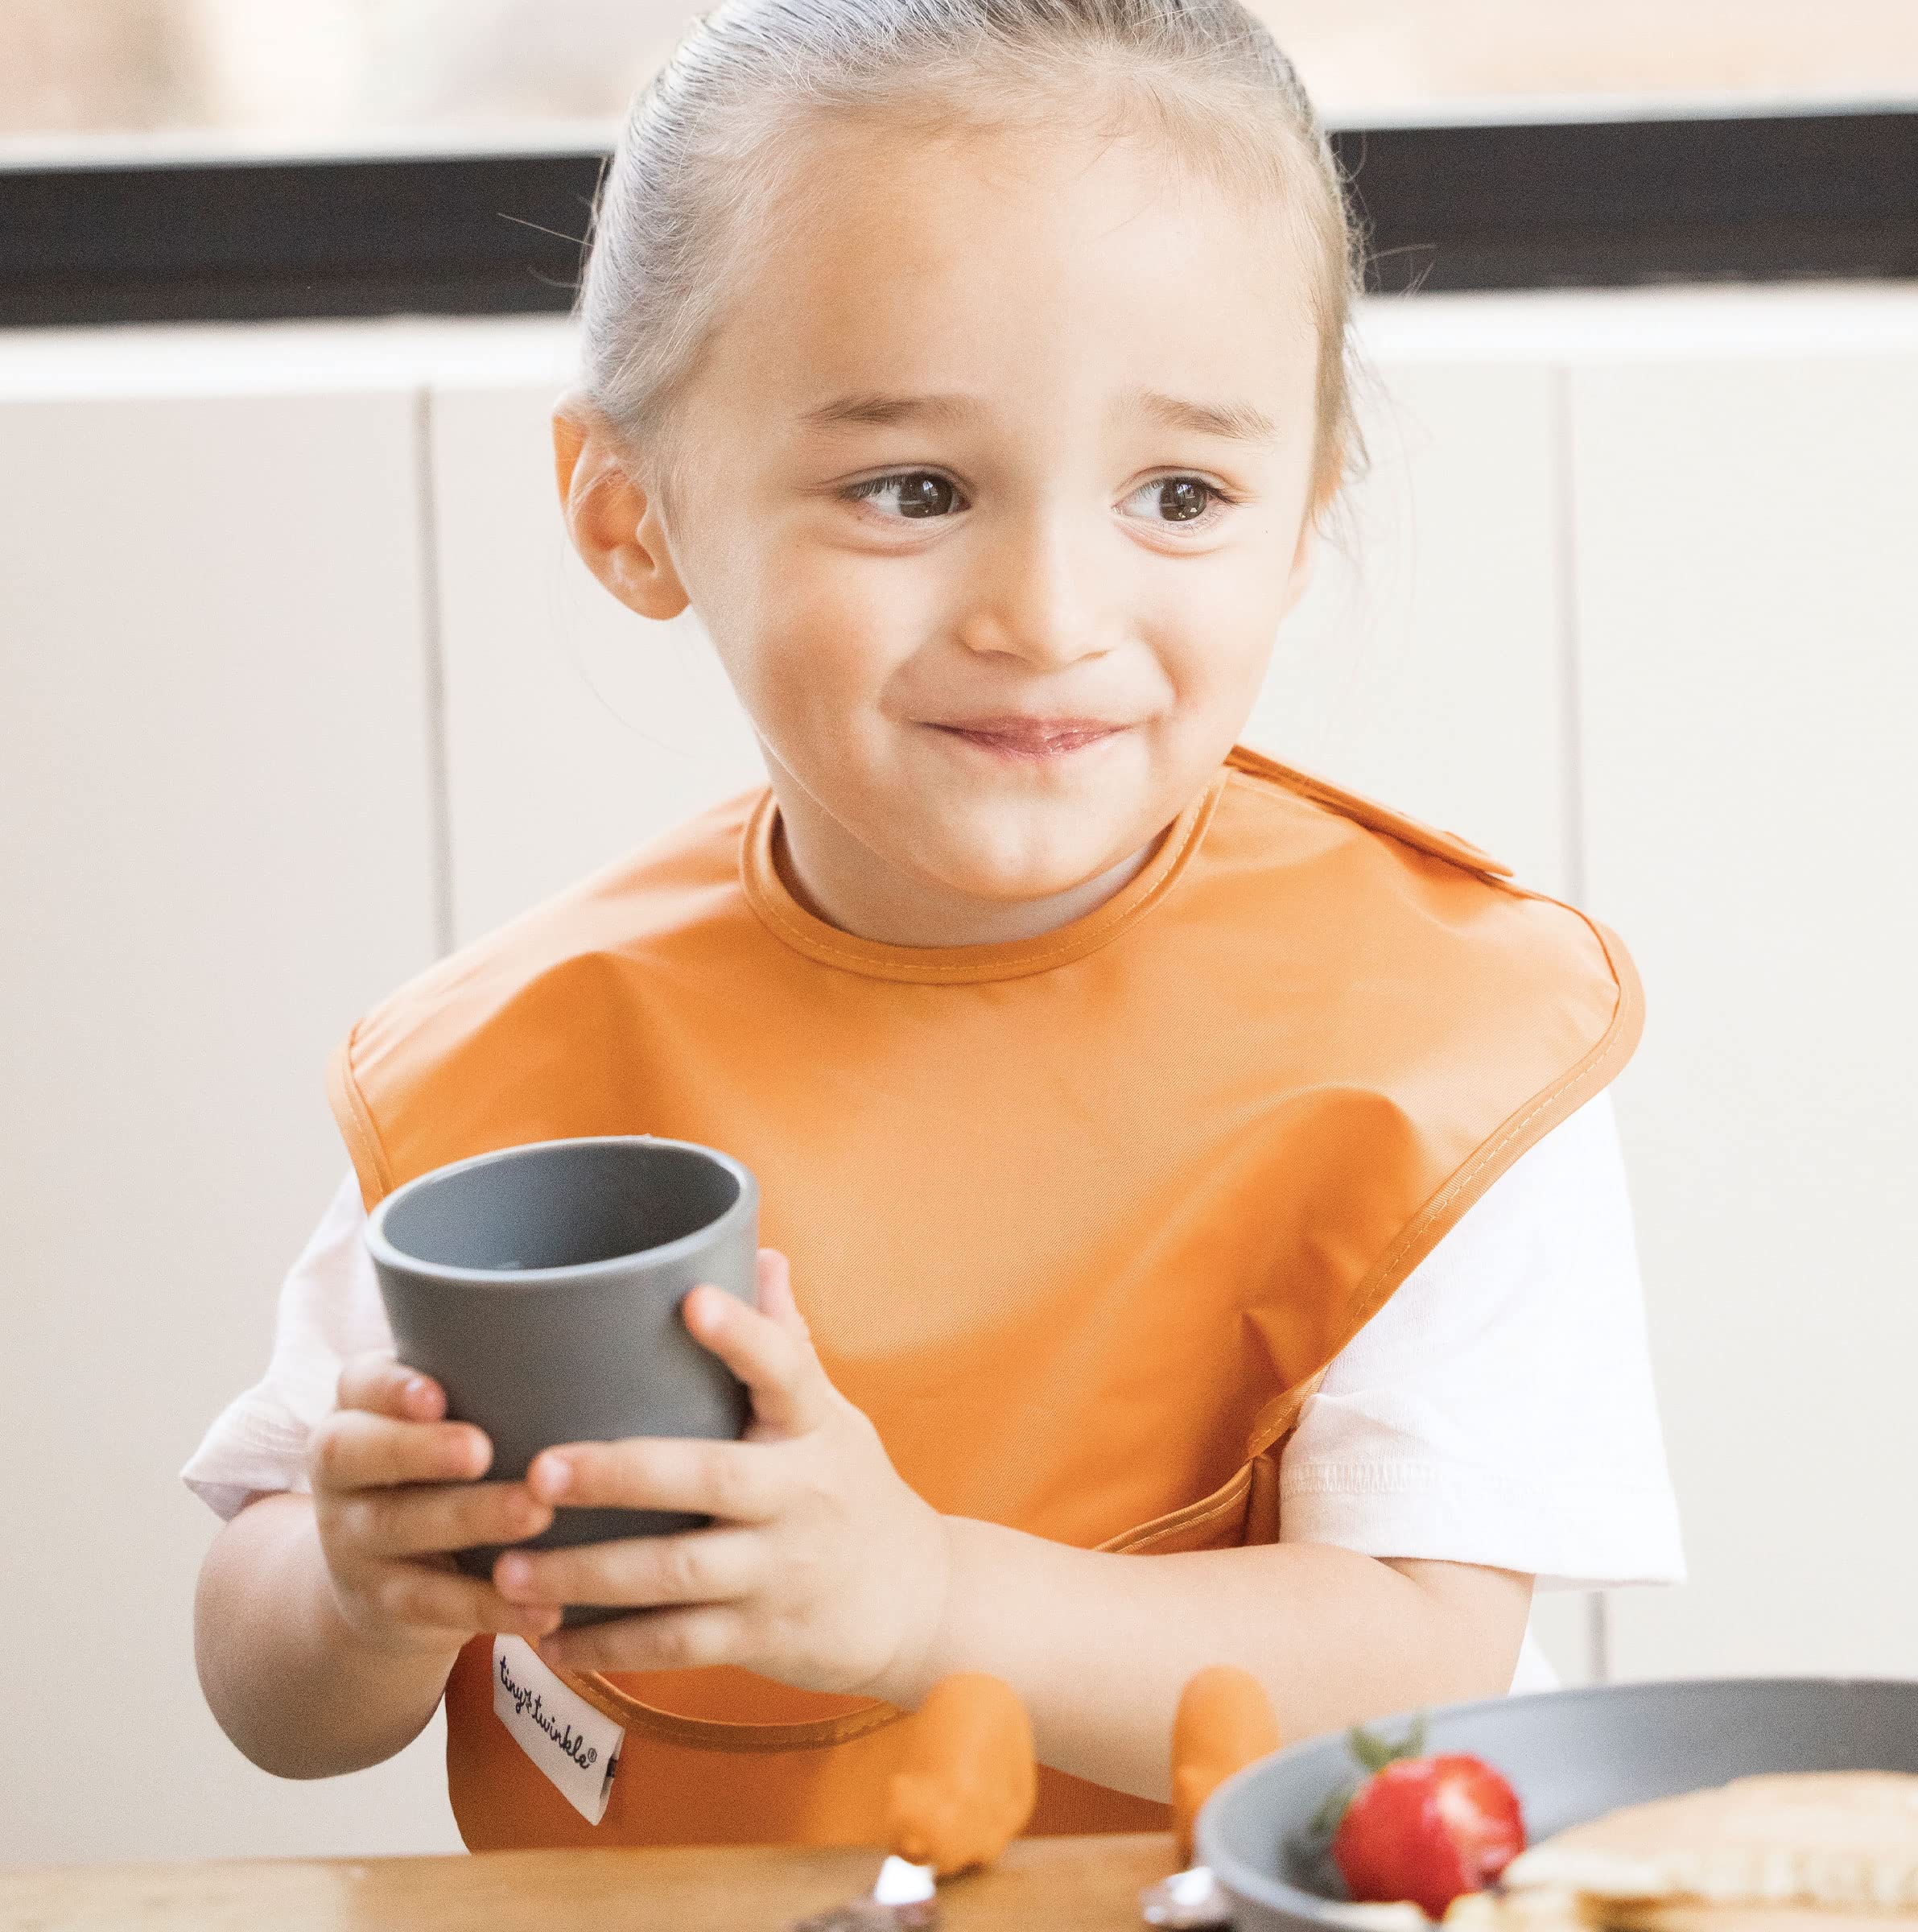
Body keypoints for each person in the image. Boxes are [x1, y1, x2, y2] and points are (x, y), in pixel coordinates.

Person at [185, 0, 1682, 1852]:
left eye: (1180, 494)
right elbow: (277, 1693)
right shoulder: (509, 1068)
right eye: (915, 490)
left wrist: (921, 1603)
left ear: (1303, 523)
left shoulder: (1449, 1040)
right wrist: (353, 1593)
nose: (1051, 610)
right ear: (629, 512)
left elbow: (1424, 1667)